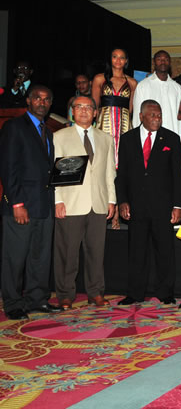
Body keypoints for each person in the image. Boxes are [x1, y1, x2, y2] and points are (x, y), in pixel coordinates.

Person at [115, 100, 181, 305]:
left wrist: (178, 205)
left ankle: (165, 292)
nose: (157, 118)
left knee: (165, 251)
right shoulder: (127, 139)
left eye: (159, 115)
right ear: (141, 116)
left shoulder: (171, 139)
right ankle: (135, 293)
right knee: (137, 251)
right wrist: (122, 201)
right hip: (136, 206)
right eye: (153, 115)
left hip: (163, 207)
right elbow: (122, 174)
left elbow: (177, 176)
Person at [0, 85, 60, 319]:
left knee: (40, 257)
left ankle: (37, 299)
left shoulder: (49, 132)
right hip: (21, 206)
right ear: (28, 100)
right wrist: (17, 204)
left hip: (43, 206)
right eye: (37, 98)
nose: (42, 102)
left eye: (46, 99)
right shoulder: (14, 127)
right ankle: (13, 303)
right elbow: (8, 168)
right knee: (14, 258)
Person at [53, 96, 116, 309]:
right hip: (70, 203)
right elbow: (55, 172)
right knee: (67, 252)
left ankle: (95, 292)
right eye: (79, 107)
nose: (83, 110)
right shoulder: (60, 136)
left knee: (96, 252)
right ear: (72, 111)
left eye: (88, 107)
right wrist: (58, 200)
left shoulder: (106, 138)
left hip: (98, 203)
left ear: (95, 113)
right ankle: (65, 294)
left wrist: (111, 200)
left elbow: (109, 173)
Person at [92, 48, 137, 166]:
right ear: (110, 59)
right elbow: (94, 106)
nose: (118, 60)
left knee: (125, 157)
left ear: (126, 61)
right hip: (104, 123)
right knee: (103, 157)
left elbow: (130, 109)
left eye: (122, 57)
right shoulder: (99, 79)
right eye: (115, 56)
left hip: (124, 124)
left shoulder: (132, 82)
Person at [130, 50, 181, 138]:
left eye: (166, 59)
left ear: (170, 63)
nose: (163, 62)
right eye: (159, 59)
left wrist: (180, 137)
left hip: (173, 135)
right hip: (149, 137)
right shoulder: (143, 86)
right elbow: (137, 115)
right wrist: (138, 138)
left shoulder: (178, 89)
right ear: (154, 62)